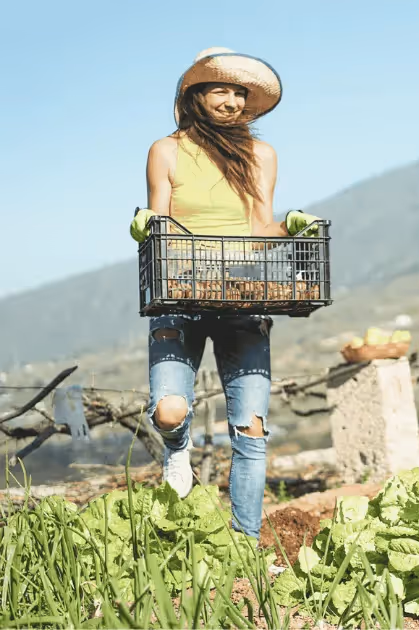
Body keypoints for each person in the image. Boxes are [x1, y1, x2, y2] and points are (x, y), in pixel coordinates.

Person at [129, 47, 323, 539]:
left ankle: (245, 544)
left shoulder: (261, 155)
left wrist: (291, 227)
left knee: (251, 432)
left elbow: (259, 227)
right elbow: (162, 222)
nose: (233, 100)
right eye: (222, 89)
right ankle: (177, 452)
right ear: (195, 95)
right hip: (181, 293)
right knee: (170, 410)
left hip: (242, 294)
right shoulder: (166, 151)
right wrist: (146, 227)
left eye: (241, 93)